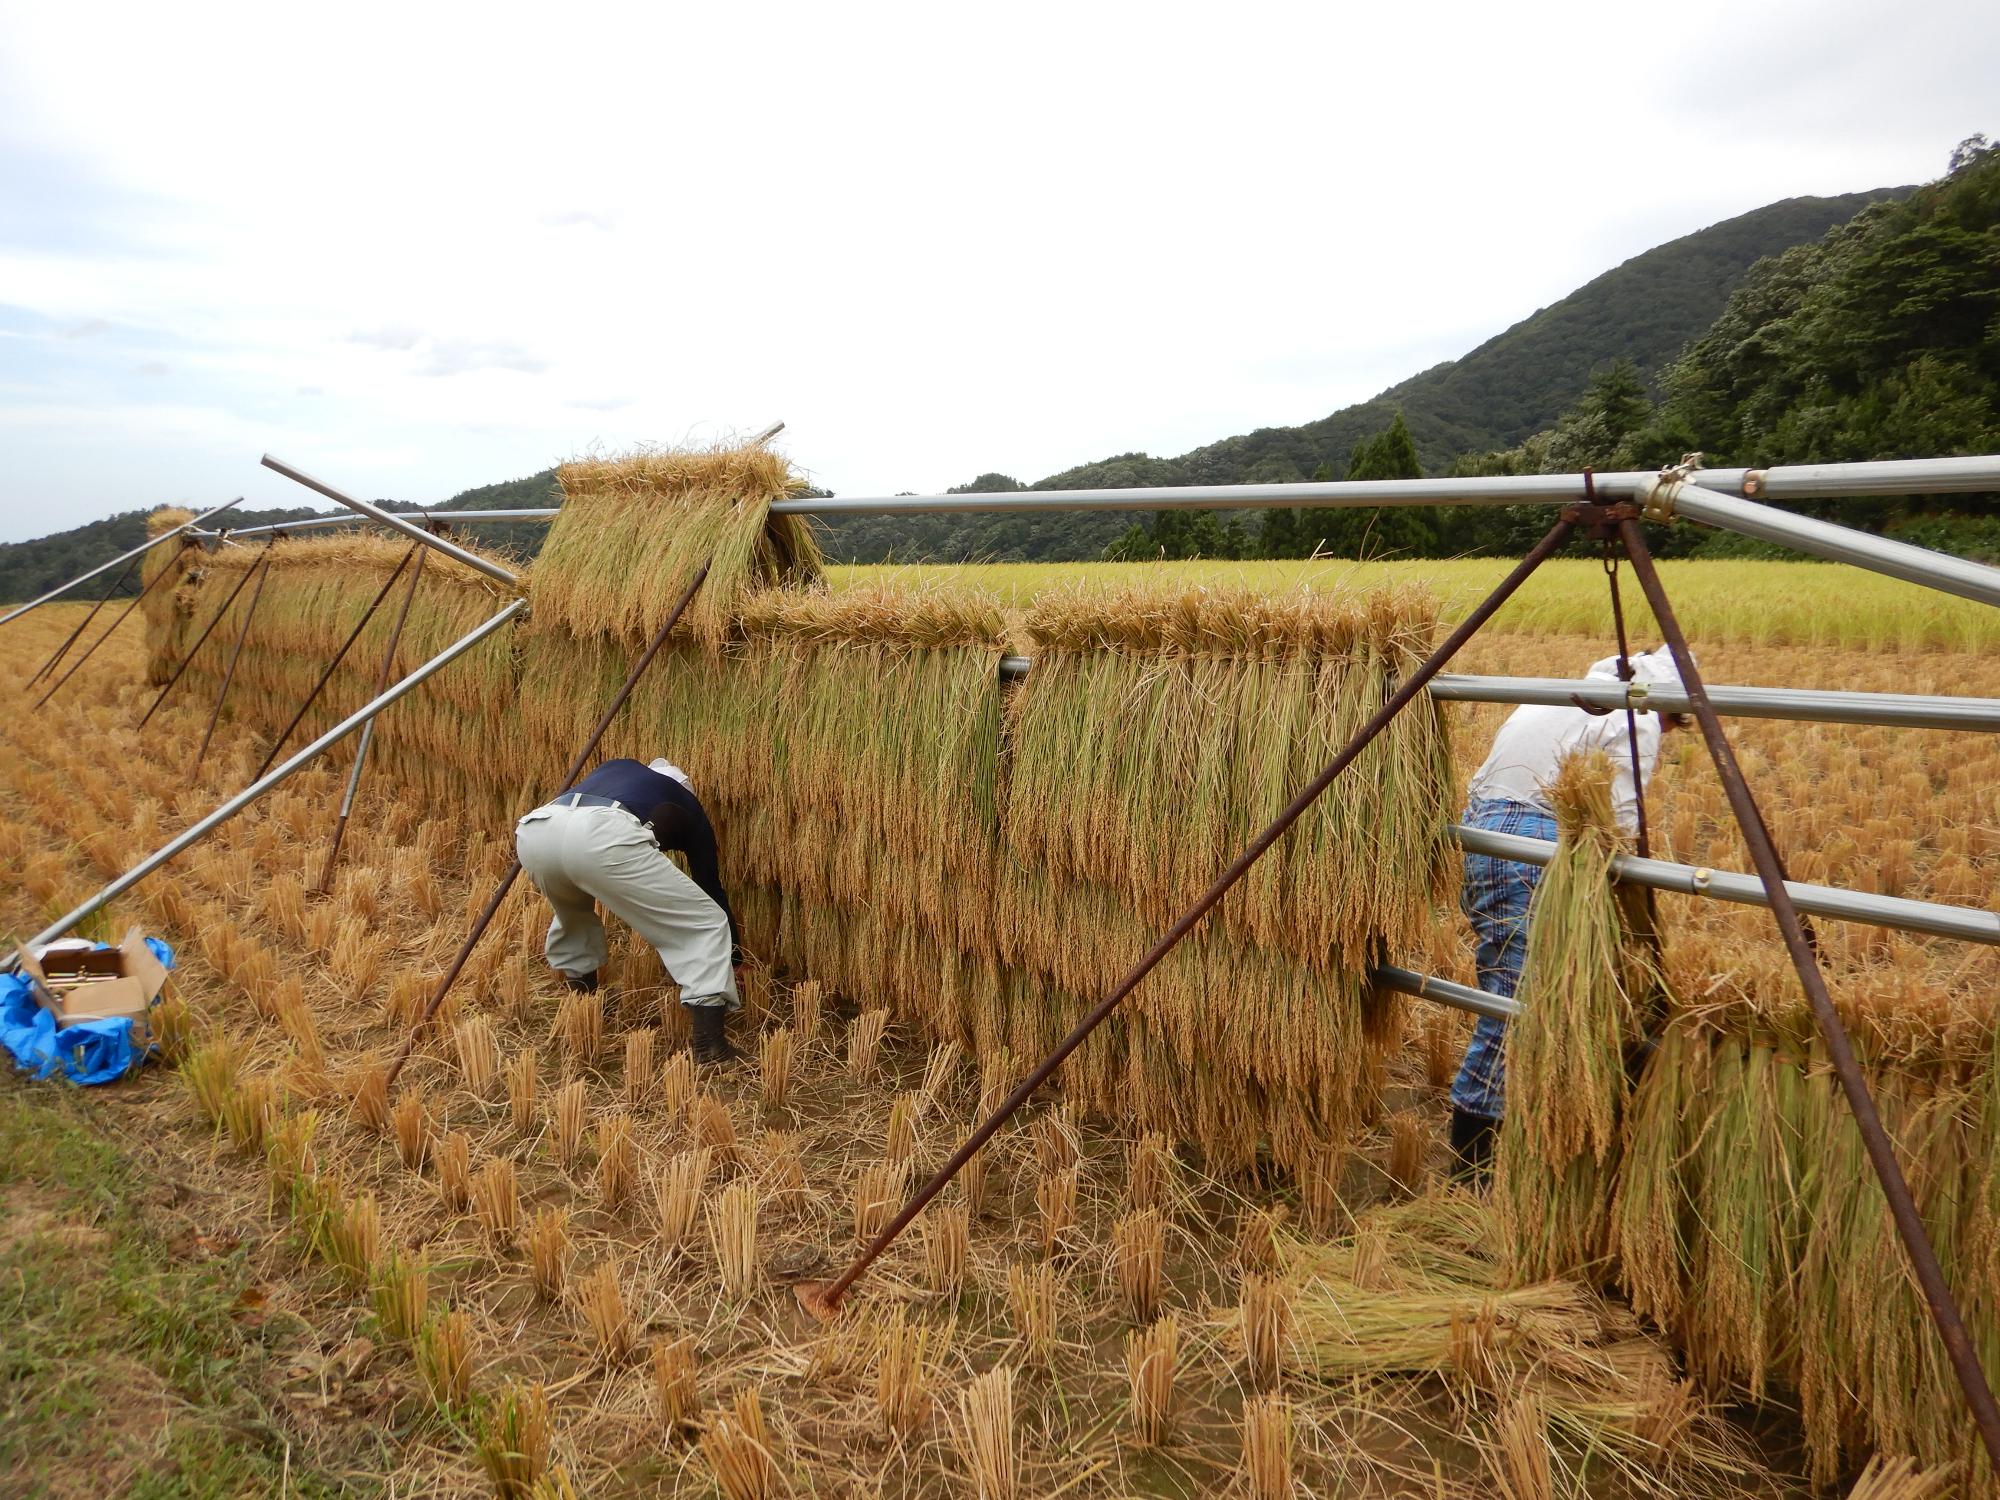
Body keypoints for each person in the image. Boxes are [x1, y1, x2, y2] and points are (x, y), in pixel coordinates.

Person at [1448, 647, 1687, 1179]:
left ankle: (1505, 1140)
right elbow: (1618, 822)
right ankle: (1472, 1174)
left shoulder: (1567, 693)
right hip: (1534, 838)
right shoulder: (1636, 711)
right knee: (1519, 1001)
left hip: (1485, 833)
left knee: (1508, 985)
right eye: (1677, 721)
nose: (1670, 732)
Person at [515, 756, 743, 1064]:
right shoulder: (687, 805)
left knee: (573, 914)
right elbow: (709, 886)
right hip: (601, 832)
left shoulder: (618, 769)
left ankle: (585, 1006)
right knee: (704, 922)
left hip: (538, 829)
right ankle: (710, 1046)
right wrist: (735, 957)